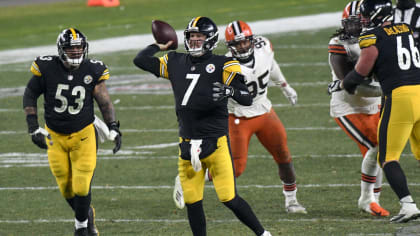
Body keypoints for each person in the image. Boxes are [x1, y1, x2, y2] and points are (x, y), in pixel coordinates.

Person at [133, 16, 271, 236]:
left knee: (229, 198)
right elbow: (140, 60)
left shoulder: (224, 63)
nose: (195, 41)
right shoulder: (175, 61)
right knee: (193, 202)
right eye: (191, 36)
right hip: (187, 143)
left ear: (211, 39)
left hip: (215, 142)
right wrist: (158, 45)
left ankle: (263, 234)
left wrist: (230, 91)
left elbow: (246, 97)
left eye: (200, 36)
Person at [171, 20, 306, 215]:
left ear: (251, 40)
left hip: (264, 111)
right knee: (236, 169)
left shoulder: (263, 47)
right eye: (237, 44)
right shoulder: (224, 64)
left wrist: (284, 86)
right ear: (229, 46)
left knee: (284, 155)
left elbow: (270, 64)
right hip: (238, 117)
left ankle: (292, 200)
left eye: (245, 42)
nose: (242, 46)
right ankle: (185, 178)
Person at [23, 28, 122, 236]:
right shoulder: (48, 67)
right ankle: (87, 215)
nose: (76, 52)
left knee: (81, 185)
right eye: (71, 48)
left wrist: (113, 126)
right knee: (65, 187)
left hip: (83, 134)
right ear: (61, 49)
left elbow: (104, 101)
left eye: (79, 47)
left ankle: (81, 226)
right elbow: (30, 93)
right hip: (54, 136)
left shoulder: (92, 69)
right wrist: (33, 128)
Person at [330, 0, 420, 223]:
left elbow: (361, 73)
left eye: (366, 16)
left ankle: (408, 205)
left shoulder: (371, 37)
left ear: (377, 14)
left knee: (387, 157)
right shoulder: (406, 28)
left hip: (399, 98)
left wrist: (343, 84)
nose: (363, 20)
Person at [327, 1, 389, 217]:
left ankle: (374, 200)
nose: (354, 27)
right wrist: (389, 88)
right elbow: (353, 86)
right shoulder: (339, 44)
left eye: (359, 22)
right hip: (349, 105)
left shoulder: (378, 38)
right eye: (350, 23)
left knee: (380, 150)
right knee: (376, 146)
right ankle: (366, 199)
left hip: (374, 103)